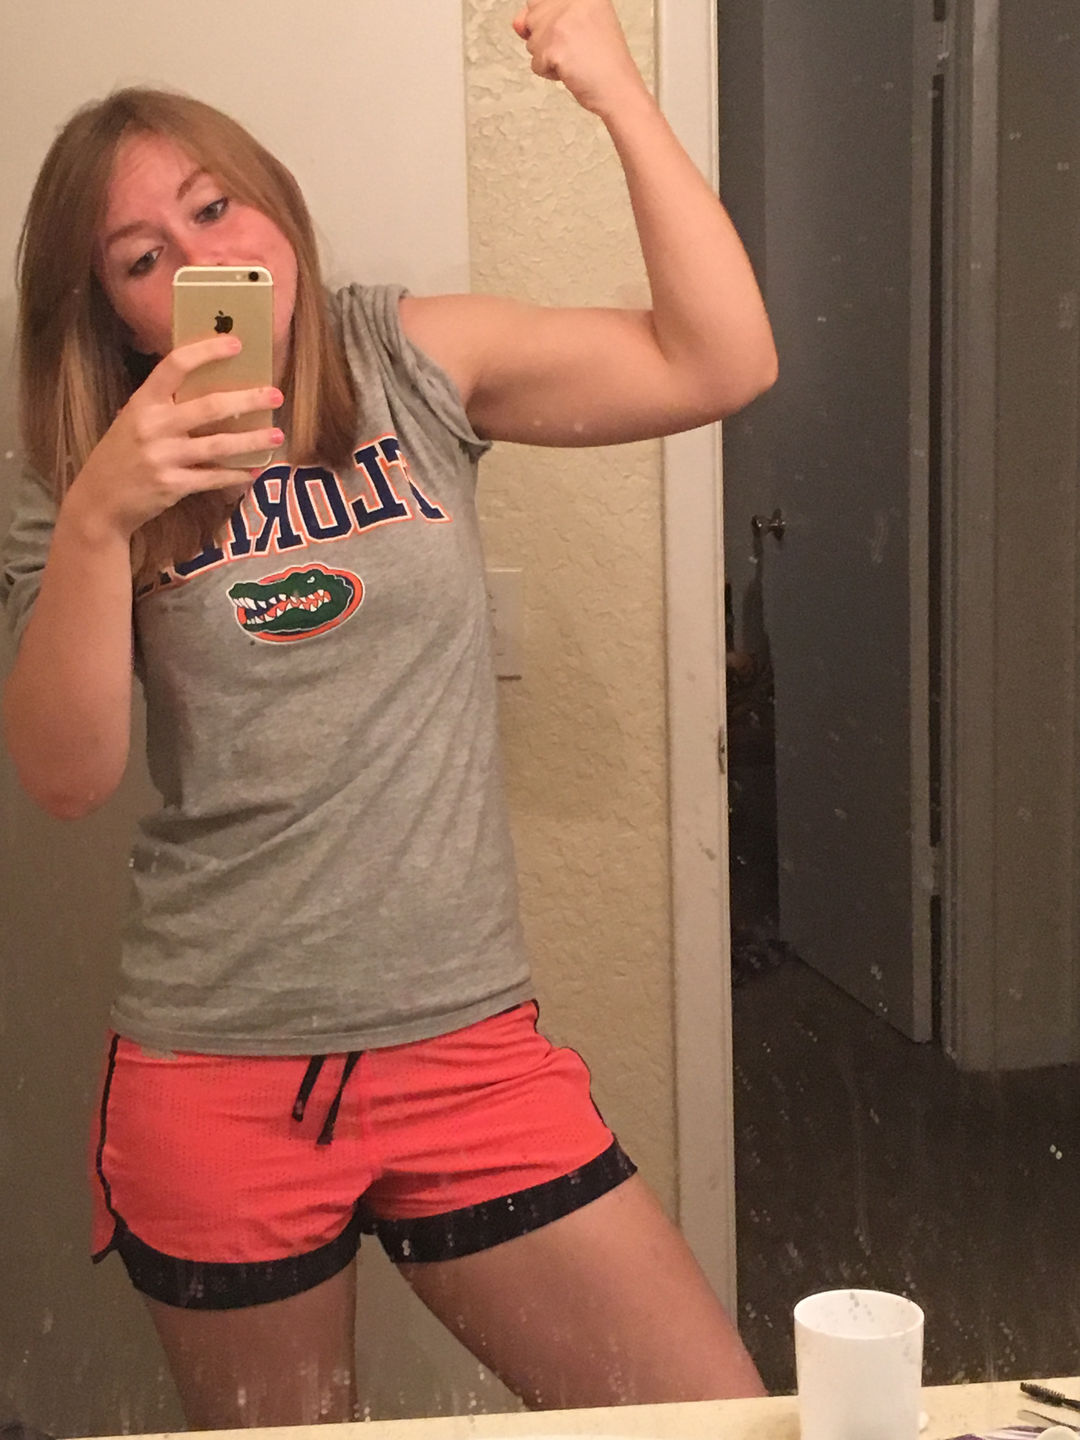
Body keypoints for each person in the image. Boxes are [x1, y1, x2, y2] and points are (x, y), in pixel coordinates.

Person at [1, 0, 777, 1428]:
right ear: (110, 310)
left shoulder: (407, 357)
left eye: (215, 204)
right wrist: (106, 513)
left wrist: (617, 95)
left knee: (703, 1418)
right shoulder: (78, 472)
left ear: (273, 201)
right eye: (143, 256)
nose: (205, 258)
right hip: (214, 1073)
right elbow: (65, 775)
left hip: (467, 1055)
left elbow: (719, 362)